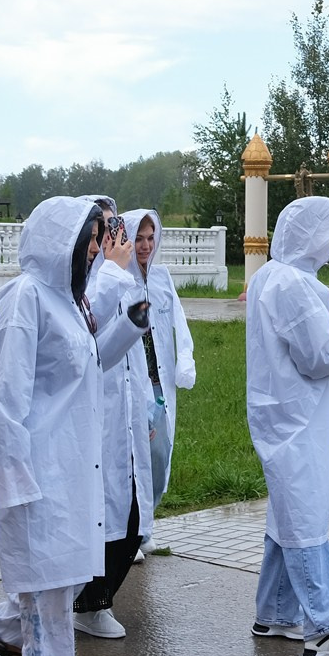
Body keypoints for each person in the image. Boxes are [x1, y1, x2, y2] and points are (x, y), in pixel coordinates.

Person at [0, 197, 145, 656]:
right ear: (61, 240)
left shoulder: (68, 301)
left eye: (97, 239)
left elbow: (88, 366)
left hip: (73, 457)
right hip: (42, 459)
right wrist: (13, 474)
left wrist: (129, 325)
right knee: (50, 572)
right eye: (90, 239)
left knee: (69, 567)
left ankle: (6, 629)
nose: (96, 249)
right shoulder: (25, 298)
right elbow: (4, 399)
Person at [246, 196, 329, 656]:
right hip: (297, 420)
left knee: (287, 517)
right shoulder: (297, 285)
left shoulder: (267, 276)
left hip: (280, 413)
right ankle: (327, 628)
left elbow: (297, 341)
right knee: (304, 521)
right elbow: (316, 357)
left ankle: (276, 613)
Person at [71, 199, 155, 639]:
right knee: (103, 514)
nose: (111, 236)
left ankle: (95, 601)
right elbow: (87, 341)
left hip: (125, 411)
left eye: (112, 226)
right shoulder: (82, 280)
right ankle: (88, 603)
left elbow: (124, 352)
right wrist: (113, 273)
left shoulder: (120, 275)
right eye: (102, 229)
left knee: (134, 517)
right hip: (93, 415)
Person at [122, 208, 195, 539]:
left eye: (151, 238)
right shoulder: (120, 278)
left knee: (161, 454)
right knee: (139, 453)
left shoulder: (162, 277)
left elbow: (178, 318)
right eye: (138, 238)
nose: (145, 246)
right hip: (134, 383)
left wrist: (185, 357)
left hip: (160, 383)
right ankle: (134, 531)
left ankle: (145, 525)